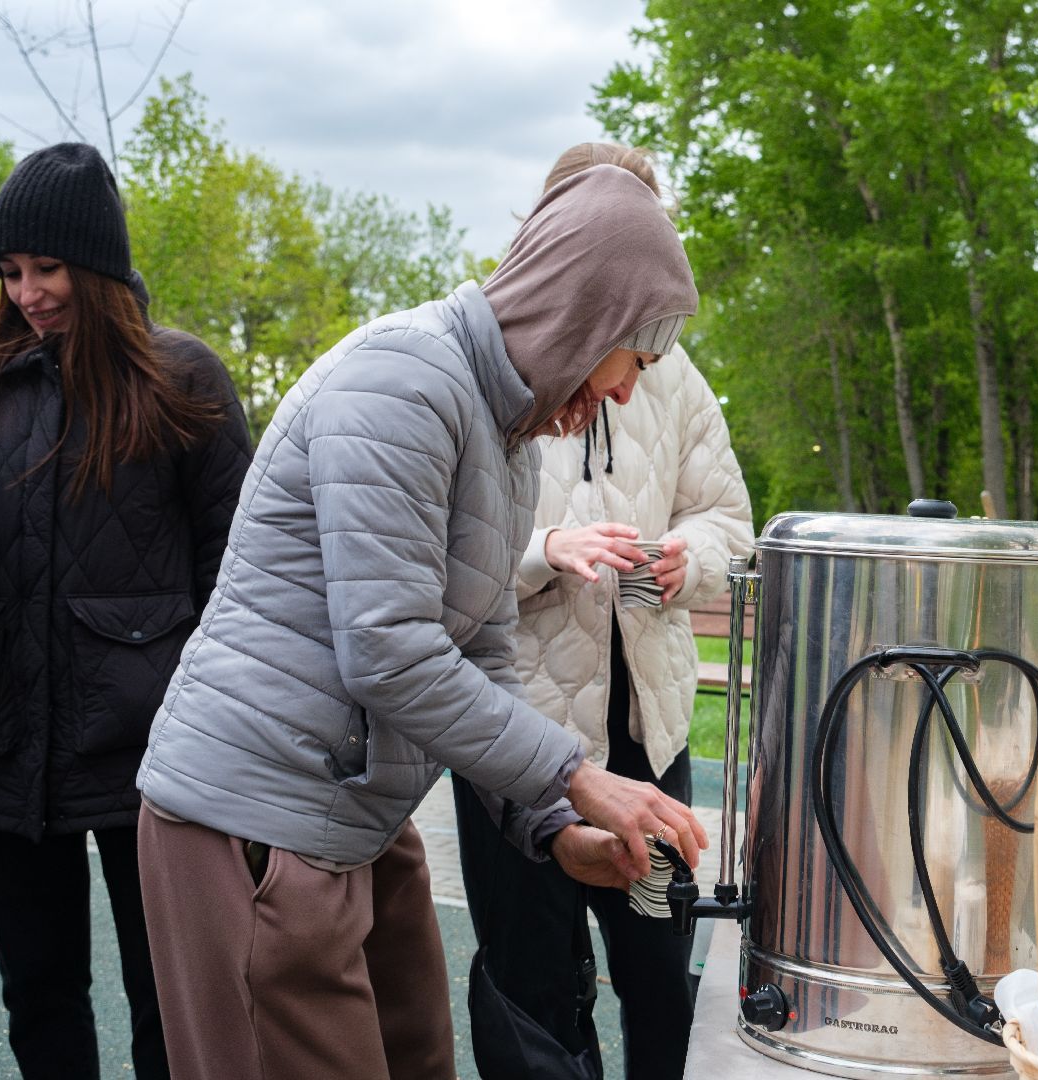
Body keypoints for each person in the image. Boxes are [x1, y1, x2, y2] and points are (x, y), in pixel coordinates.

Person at [133, 162, 711, 1080]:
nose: (628, 395)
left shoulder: (504, 428)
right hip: (255, 820)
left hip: (355, 815)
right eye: (632, 362)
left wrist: (555, 822)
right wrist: (580, 774)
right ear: (580, 312)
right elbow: (390, 654)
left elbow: (477, 650)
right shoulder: (403, 382)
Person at [0, 142, 253, 1079]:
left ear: (98, 264)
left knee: (171, 997)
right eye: (12, 271)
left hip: (147, 743)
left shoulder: (182, 378)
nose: (27, 291)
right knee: (37, 992)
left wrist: (218, 722)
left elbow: (233, 570)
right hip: (5, 735)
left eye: (48, 267)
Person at [453, 142, 753, 1080]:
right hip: (518, 727)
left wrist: (684, 559)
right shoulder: (493, 363)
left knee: (659, 970)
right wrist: (548, 554)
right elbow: (445, 566)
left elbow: (730, 519)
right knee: (532, 974)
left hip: (645, 724)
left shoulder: (675, 374)